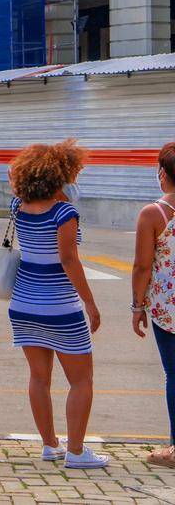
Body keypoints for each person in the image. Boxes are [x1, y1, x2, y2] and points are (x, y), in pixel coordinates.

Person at [8, 139, 106, 469]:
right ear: (62, 175)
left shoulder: (16, 206)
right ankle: (77, 451)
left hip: (23, 304)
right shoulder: (65, 213)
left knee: (39, 378)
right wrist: (90, 303)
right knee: (81, 380)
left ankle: (50, 445)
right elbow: (68, 259)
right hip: (60, 308)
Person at [131, 141, 175, 468]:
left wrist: (137, 307)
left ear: (163, 173)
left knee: (174, 375)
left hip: (167, 309)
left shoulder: (153, 214)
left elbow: (142, 266)